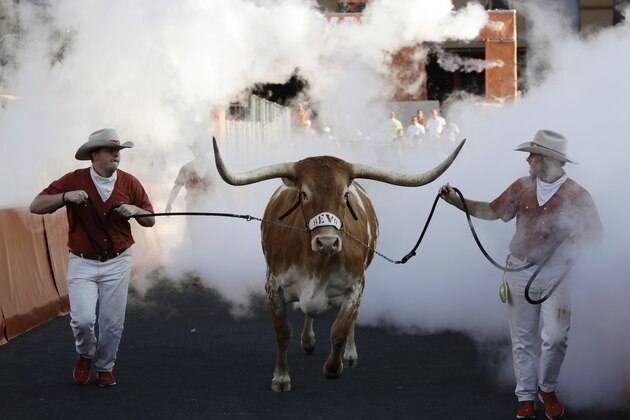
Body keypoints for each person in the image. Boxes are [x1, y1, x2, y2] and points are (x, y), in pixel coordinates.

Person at [439, 130, 602, 420]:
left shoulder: (578, 194)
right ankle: (525, 396)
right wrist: (455, 201)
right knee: (523, 338)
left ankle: (547, 388)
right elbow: (491, 211)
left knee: (556, 336)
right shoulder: (521, 187)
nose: (528, 159)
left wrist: (581, 234)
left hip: (558, 275)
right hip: (518, 269)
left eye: (533, 154)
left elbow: (596, 233)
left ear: (550, 159)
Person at [30, 128, 155, 388]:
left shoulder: (130, 182)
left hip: (118, 260)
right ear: (94, 155)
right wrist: (65, 197)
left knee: (112, 323)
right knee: (83, 320)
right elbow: (36, 205)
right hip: (82, 261)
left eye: (118, 152)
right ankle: (85, 354)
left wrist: (135, 210)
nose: (116, 156)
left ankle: (105, 366)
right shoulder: (73, 179)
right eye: (111, 151)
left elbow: (151, 220)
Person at [165, 136, 221, 244]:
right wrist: (169, 203)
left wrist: (231, 206)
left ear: (205, 150)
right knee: (196, 238)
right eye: (195, 148)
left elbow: (224, 188)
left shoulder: (214, 167)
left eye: (200, 148)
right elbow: (177, 187)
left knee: (211, 238)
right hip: (192, 208)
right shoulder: (186, 168)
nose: (197, 151)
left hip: (212, 208)